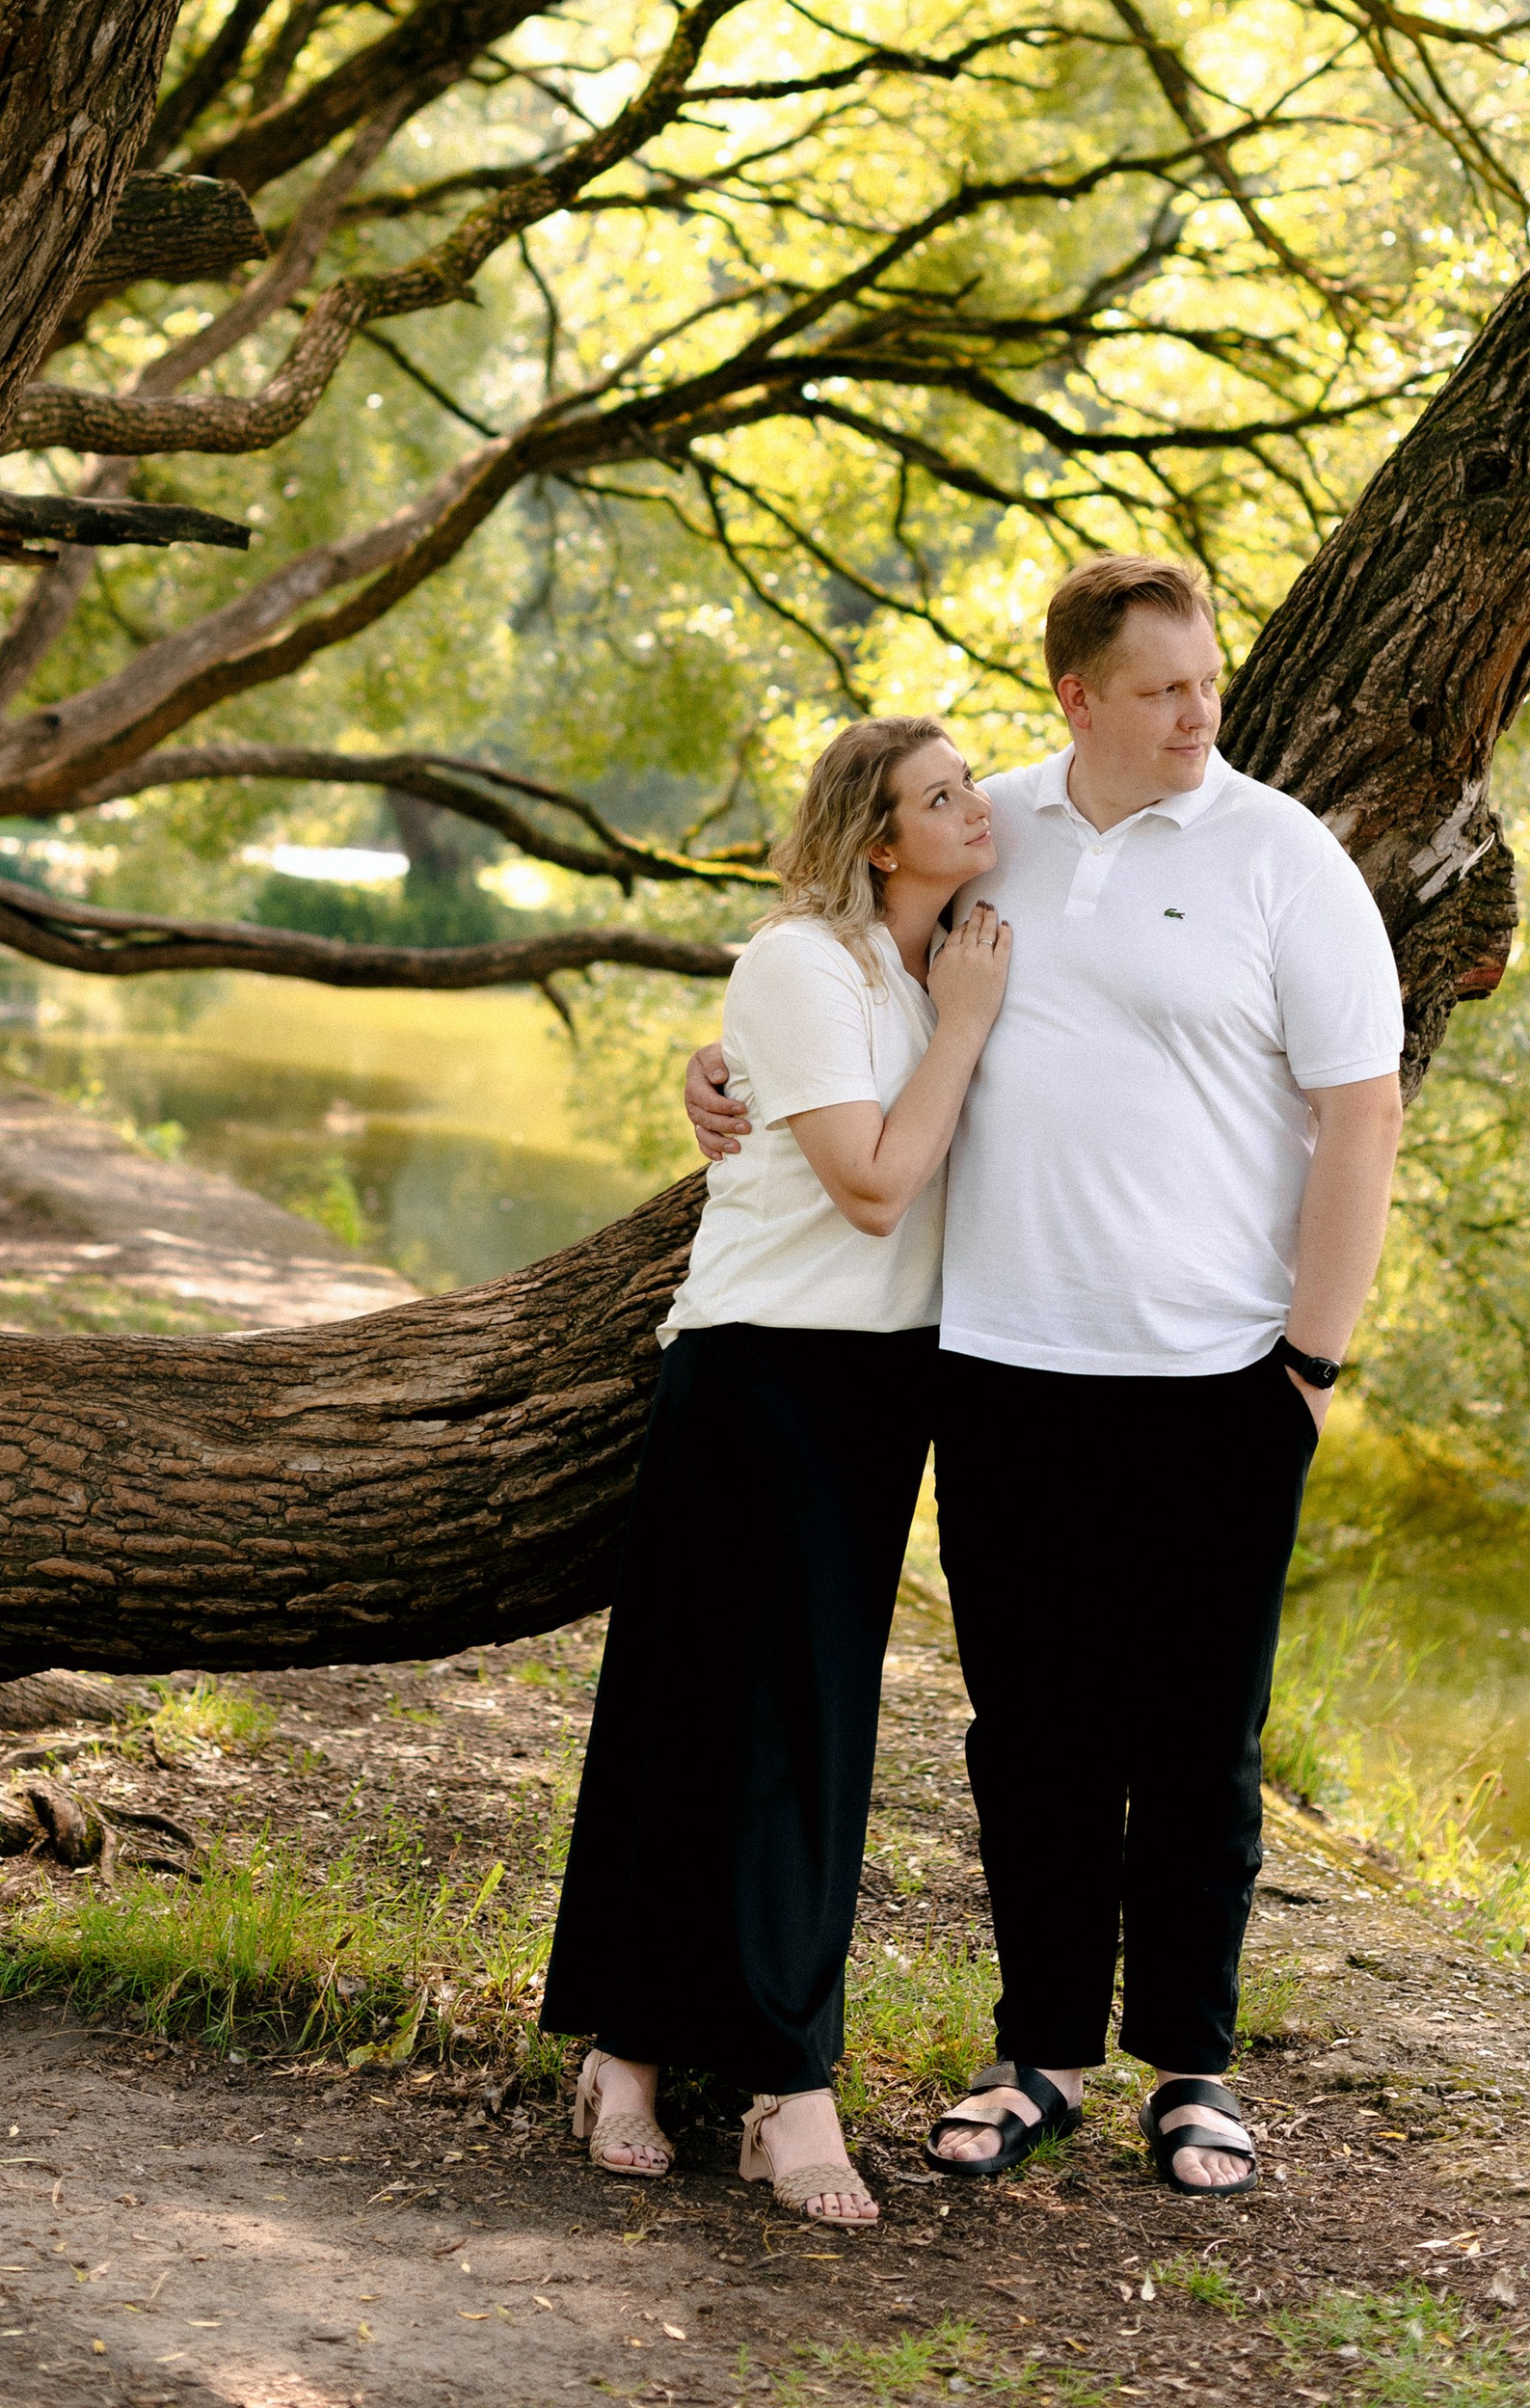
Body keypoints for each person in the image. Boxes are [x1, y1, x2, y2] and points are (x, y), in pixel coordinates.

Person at [685, 553, 1403, 2197]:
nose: (1199, 715)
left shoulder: (1281, 857)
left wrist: (1310, 1362)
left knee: (1202, 1738)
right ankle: (1044, 2056)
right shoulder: (984, 828)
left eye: (1207, 682)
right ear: (1077, 696)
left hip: (1222, 1373)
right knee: (1034, 1736)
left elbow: (1363, 1112)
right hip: (1003, 1370)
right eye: (1164, 690)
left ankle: (1195, 2068)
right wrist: (715, 1063)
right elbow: (830, 975)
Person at [541, 717, 1012, 2223]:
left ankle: (687, 2054)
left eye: (971, 784)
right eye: (943, 795)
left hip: (884, 1386)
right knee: (711, 1717)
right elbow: (873, 1185)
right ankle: (742, 2084)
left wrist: (955, 1012)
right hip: (761, 1369)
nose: (975, 805)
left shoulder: (951, 944)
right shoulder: (803, 961)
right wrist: (962, 1031)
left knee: (798, 1734)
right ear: (880, 838)